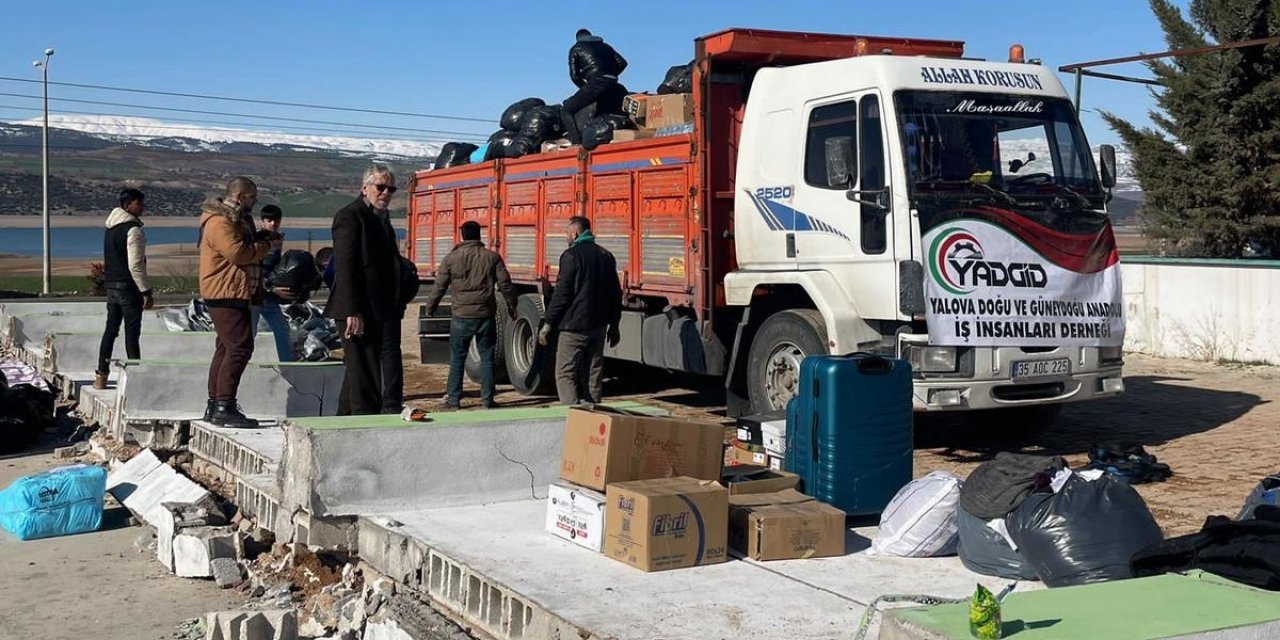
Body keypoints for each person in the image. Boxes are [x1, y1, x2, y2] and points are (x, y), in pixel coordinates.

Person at [199, 177, 280, 428]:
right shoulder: (220, 222)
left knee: (225, 347)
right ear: (240, 196)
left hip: (235, 290)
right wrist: (265, 244)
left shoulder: (237, 220)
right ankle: (224, 404)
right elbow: (238, 253)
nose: (255, 202)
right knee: (239, 347)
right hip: (226, 292)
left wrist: (260, 237)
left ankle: (216, 404)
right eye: (252, 196)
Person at [324, 165, 403, 416]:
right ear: (365, 187)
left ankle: (342, 423)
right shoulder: (350, 216)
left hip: (379, 308)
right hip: (357, 309)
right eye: (380, 187)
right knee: (364, 375)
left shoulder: (382, 220)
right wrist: (352, 310)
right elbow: (346, 267)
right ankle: (362, 427)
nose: (386, 193)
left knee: (358, 373)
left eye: (391, 189)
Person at [424, 221, 517, 409]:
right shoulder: (492, 257)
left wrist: (430, 306)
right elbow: (505, 284)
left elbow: (439, 286)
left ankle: (453, 399)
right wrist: (511, 304)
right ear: (479, 235)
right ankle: (488, 399)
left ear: (462, 235)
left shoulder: (451, 258)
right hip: (485, 315)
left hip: (461, 315)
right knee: (487, 358)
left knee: (458, 357)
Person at [538, 216, 622, 405]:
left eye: (567, 233)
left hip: (573, 327)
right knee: (594, 372)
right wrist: (615, 325)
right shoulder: (606, 256)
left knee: (565, 371)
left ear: (575, 233)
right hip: (599, 326)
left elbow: (562, 294)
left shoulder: (571, 256)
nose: (566, 237)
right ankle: (594, 412)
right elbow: (615, 293)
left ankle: (571, 414)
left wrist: (548, 323)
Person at [95, 188, 153, 390]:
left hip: (111, 285)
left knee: (110, 330)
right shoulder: (132, 230)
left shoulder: (110, 229)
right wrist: (145, 291)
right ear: (128, 205)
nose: (142, 207)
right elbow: (135, 264)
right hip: (129, 288)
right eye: (139, 203)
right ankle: (136, 377)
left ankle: (101, 375)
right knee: (132, 332)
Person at [560, 29, 628, 145]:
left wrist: (585, 87)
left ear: (577, 39)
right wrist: (611, 75)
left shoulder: (576, 48)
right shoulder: (605, 46)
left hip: (596, 82)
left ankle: (576, 144)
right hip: (614, 84)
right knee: (603, 113)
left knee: (566, 110)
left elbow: (574, 76)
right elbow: (622, 63)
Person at [250, 204, 296, 362]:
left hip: (268, 296)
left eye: (276, 220)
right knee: (249, 334)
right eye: (269, 220)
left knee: (282, 329)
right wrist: (270, 287)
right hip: (256, 294)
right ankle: (240, 364)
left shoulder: (277, 239)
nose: (273, 224)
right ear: (263, 221)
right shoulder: (258, 240)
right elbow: (255, 268)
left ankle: (287, 364)